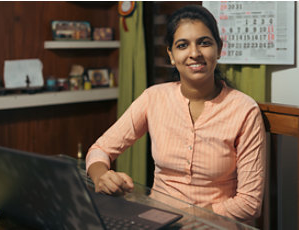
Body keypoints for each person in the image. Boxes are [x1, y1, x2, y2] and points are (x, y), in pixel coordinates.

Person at [86, 5, 266, 224]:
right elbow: (100, 149)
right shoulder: (154, 98)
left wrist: (187, 219)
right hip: (156, 220)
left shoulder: (244, 110)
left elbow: (249, 203)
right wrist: (101, 175)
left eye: (204, 42)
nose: (195, 53)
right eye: (183, 45)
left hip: (214, 224)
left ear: (219, 49)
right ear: (171, 55)